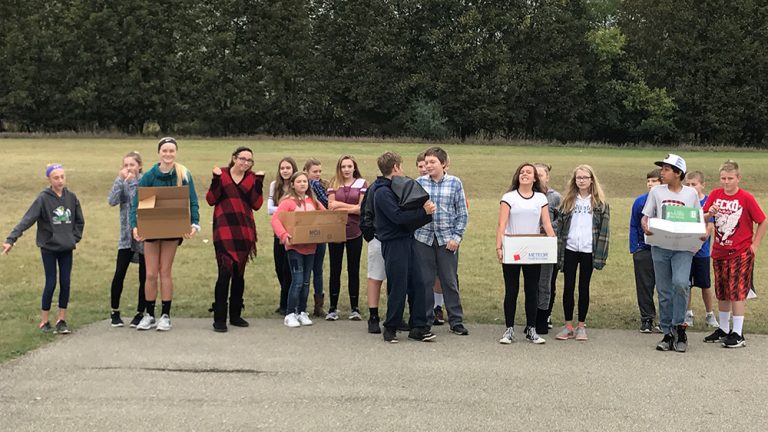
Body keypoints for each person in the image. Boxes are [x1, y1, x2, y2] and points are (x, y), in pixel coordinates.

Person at [3, 163, 84, 334]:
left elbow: (79, 220)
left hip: (66, 247)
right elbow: (28, 219)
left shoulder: (71, 197)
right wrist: (11, 239)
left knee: (66, 282)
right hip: (49, 247)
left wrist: (73, 237)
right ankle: (44, 321)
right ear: (49, 179)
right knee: (51, 282)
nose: (60, 180)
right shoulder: (43, 198)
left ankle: (62, 319)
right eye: (56, 177)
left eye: (62, 176)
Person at [130, 137, 200, 332]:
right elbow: (137, 202)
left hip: (172, 227)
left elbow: (192, 200)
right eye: (165, 151)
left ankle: (165, 315)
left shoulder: (183, 173)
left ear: (176, 152)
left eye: (171, 151)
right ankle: (149, 314)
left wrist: (194, 222)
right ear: (159, 153)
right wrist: (135, 225)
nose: (168, 154)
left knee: (165, 271)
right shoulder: (150, 175)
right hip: (152, 227)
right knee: (151, 273)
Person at [373, 152, 437, 343]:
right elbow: (398, 218)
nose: (402, 170)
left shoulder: (395, 188)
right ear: (395, 168)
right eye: (400, 166)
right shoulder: (382, 192)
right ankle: (391, 327)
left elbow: (406, 219)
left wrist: (424, 214)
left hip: (408, 240)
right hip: (394, 243)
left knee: (417, 282)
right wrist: (423, 212)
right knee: (398, 285)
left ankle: (418, 327)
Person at [642, 154, 702, 352]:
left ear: (678, 173)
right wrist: (645, 225)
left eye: (667, 169)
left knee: (681, 284)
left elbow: (697, 219)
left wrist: (700, 236)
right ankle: (667, 333)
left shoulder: (690, 194)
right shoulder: (657, 192)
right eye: (662, 168)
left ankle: (680, 327)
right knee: (664, 291)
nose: (662, 172)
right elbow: (647, 215)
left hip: (683, 248)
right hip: (660, 245)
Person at [703, 160, 766, 348]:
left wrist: (755, 245)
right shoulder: (715, 194)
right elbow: (703, 215)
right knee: (722, 291)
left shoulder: (745, 198)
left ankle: (738, 332)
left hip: (740, 251)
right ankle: (724, 328)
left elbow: (762, 221)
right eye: (723, 178)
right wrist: (709, 213)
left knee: (737, 291)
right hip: (720, 250)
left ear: (738, 178)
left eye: (730, 178)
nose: (726, 182)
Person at [206, 147, 264, 332]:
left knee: (239, 274)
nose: (245, 163)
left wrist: (259, 183)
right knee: (224, 273)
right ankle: (219, 317)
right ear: (234, 158)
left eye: (249, 160)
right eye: (242, 159)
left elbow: (256, 204)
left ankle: (236, 315)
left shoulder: (252, 177)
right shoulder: (221, 174)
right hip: (224, 229)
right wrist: (215, 180)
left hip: (244, 231)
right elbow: (210, 199)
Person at [496, 163, 555, 345]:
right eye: (522, 172)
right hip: (513, 248)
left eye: (529, 172)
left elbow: (546, 223)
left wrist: (552, 242)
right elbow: (502, 224)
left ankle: (532, 329)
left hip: (532, 250)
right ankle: (509, 330)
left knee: (532, 290)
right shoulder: (509, 197)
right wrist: (499, 246)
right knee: (511, 290)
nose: (525, 174)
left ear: (535, 178)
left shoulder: (540, 198)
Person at [414, 146, 469, 336]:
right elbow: (411, 211)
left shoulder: (455, 183)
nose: (428, 166)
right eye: (426, 162)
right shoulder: (419, 182)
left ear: (444, 164)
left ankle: (456, 320)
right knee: (425, 281)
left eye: (432, 162)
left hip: (447, 240)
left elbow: (462, 213)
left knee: (449, 280)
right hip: (423, 238)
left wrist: (456, 237)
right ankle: (426, 320)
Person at [554, 165, 610, 342]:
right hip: (570, 248)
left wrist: (601, 255)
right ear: (574, 180)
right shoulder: (567, 202)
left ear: (591, 180)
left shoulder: (600, 204)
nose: (582, 180)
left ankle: (581, 326)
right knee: (568, 287)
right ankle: (568, 325)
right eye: (579, 177)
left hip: (588, 249)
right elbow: (560, 228)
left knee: (583, 287)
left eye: (585, 177)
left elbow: (604, 231)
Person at [271, 172, 326, 328]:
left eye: (305, 181)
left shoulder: (313, 201)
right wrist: (283, 234)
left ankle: (302, 311)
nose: (303, 184)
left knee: (307, 281)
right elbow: (276, 219)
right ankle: (290, 313)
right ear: (293, 184)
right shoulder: (288, 202)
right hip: (294, 247)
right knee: (298, 281)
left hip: (311, 247)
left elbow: (325, 216)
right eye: (299, 181)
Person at [326, 155, 368, 321]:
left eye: (349, 166)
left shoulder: (361, 183)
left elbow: (360, 209)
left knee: (353, 269)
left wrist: (340, 206)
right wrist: (350, 207)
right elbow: (331, 207)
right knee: (335, 270)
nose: (346, 169)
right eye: (343, 166)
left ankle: (355, 307)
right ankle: (332, 307)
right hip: (336, 231)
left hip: (355, 232)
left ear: (354, 167)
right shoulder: (333, 183)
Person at [107, 151, 146, 328]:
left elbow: (137, 200)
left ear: (139, 166)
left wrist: (131, 183)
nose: (129, 168)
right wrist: (119, 180)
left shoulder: (145, 181)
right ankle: (114, 311)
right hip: (126, 235)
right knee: (119, 273)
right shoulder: (122, 182)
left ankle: (141, 312)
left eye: (132, 165)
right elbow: (112, 201)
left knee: (145, 275)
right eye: (125, 165)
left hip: (144, 234)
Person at [682, 170, 718, 328]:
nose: (690, 187)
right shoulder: (684, 200)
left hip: (701, 252)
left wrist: (698, 245)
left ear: (702, 185)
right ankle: (688, 313)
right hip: (685, 251)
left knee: (705, 284)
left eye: (694, 184)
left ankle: (710, 314)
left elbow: (709, 226)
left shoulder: (709, 202)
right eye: (687, 184)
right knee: (686, 283)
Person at [630, 168, 662, 333]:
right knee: (644, 286)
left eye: (654, 181)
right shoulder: (640, 201)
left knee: (664, 286)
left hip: (664, 248)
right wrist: (635, 248)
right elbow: (634, 225)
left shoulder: (668, 201)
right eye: (648, 181)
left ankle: (665, 319)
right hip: (644, 249)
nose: (650, 184)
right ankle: (647, 318)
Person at [534, 163, 561, 334]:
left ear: (547, 177)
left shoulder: (555, 197)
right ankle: (532, 316)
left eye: (541, 175)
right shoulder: (526, 195)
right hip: (529, 245)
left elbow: (562, 220)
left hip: (548, 246)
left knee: (547, 282)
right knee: (532, 283)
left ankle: (545, 316)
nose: (537, 178)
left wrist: (548, 228)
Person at [268, 157, 297, 315]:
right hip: (278, 231)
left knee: (289, 269)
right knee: (279, 267)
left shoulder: (296, 186)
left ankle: (286, 304)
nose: (285, 171)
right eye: (282, 168)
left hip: (293, 232)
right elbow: (269, 209)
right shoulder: (274, 186)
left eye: (288, 168)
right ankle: (285, 299)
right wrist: (285, 208)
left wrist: (280, 209)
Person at [304, 159, 329, 317]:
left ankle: (306, 305)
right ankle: (317, 306)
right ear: (306, 171)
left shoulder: (314, 184)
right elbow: (327, 203)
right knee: (315, 269)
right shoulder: (314, 185)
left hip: (315, 230)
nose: (318, 174)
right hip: (315, 230)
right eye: (315, 171)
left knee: (312, 269)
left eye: (320, 171)